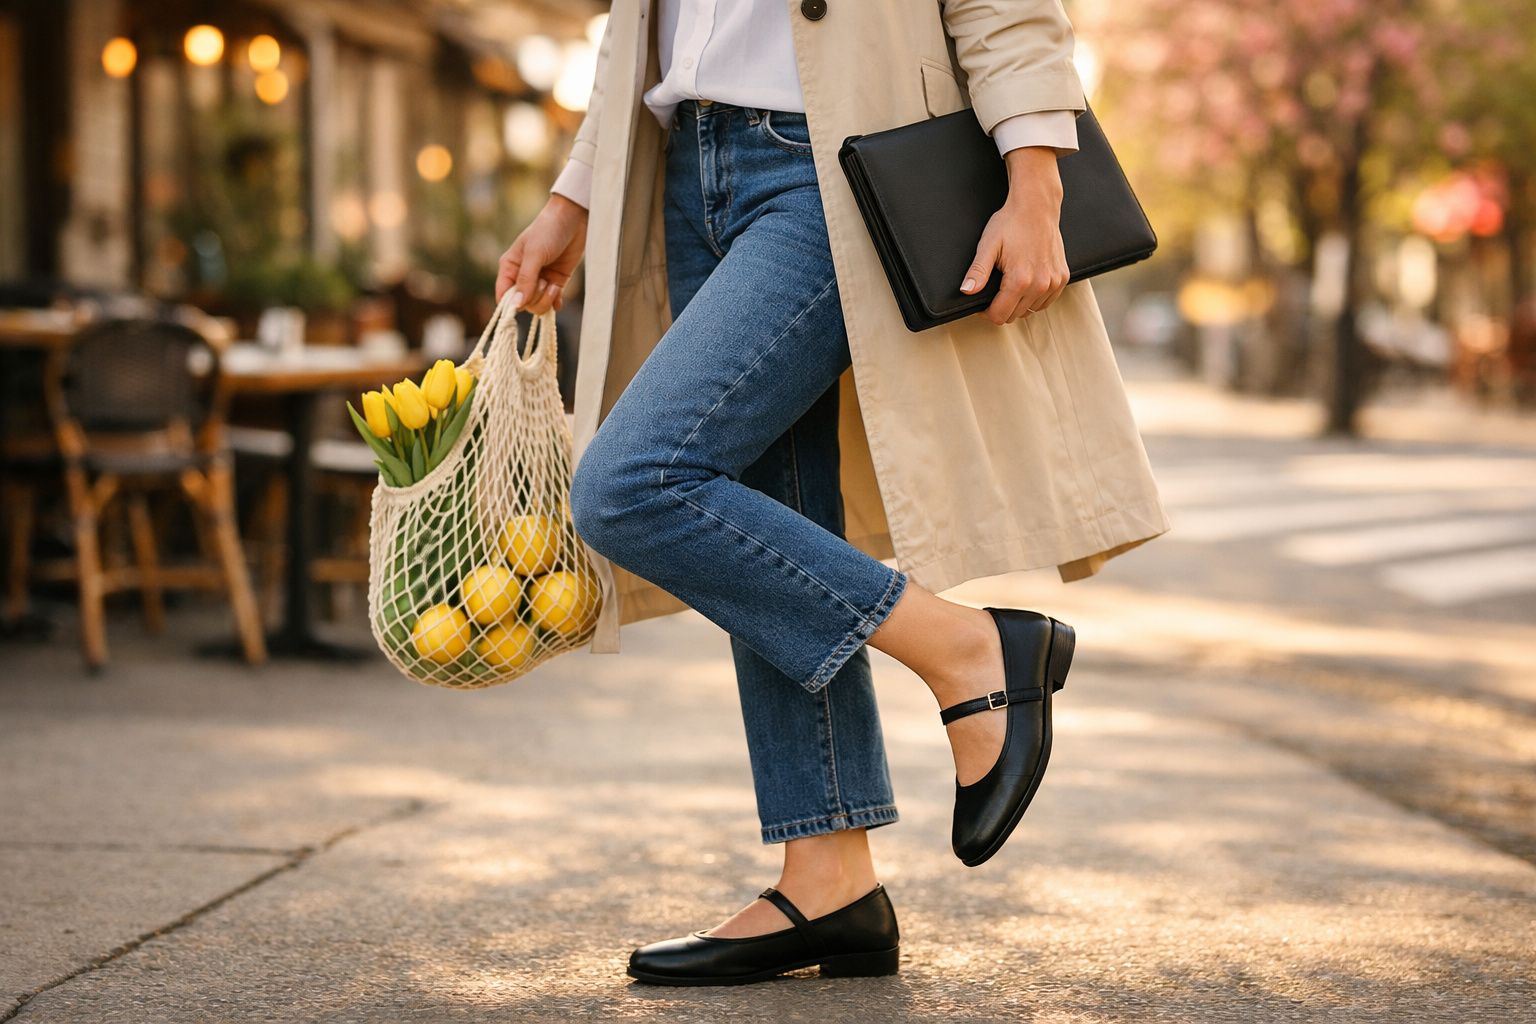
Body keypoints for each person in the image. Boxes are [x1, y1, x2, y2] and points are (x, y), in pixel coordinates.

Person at [496, 0, 1168, 986]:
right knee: (773, 496)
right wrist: (576, 195)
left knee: (632, 482)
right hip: (687, 159)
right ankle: (829, 875)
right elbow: (642, 26)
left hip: (836, 156)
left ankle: (971, 648)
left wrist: (1035, 184)